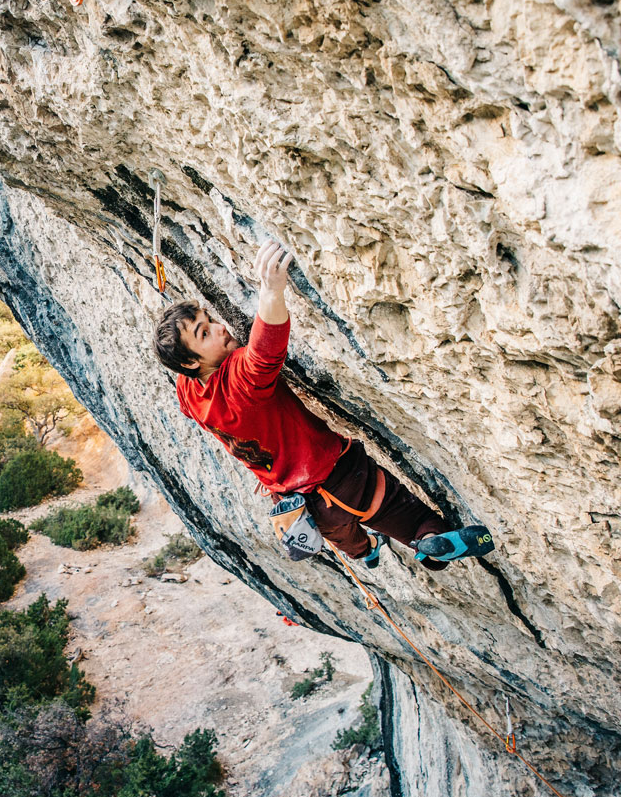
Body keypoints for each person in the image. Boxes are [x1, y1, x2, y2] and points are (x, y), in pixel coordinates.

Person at [152, 239, 494, 569]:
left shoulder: (189, 394)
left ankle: (367, 551)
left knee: (347, 540)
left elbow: (200, 379)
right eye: (204, 333)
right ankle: (432, 539)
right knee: (407, 517)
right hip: (346, 477)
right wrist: (271, 291)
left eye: (208, 320)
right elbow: (263, 352)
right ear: (190, 362)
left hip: (310, 509)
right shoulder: (239, 381)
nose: (219, 327)